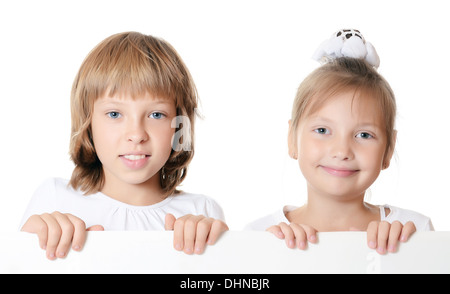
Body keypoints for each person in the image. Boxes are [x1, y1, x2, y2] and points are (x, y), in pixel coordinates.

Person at [20, 32, 228, 260]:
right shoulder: (55, 199)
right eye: (114, 113)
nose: (136, 135)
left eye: (156, 114)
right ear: (88, 123)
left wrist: (227, 251)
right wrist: (27, 243)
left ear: (179, 126)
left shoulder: (202, 212)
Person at [245, 29, 433, 254]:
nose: (342, 151)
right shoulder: (258, 236)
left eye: (364, 135)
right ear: (292, 138)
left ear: (389, 149)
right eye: (322, 130)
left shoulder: (413, 234)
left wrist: (404, 257)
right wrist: (269, 258)